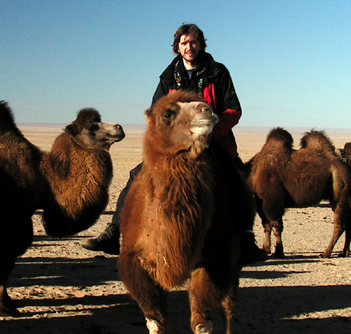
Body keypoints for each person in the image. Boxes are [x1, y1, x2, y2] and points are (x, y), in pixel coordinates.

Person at [82, 23, 265, 262]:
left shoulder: (217, 72)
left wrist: (210, 131)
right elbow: (156, 112)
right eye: (185, 43)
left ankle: (245, 238)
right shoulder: (168, 77)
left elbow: (233, 110)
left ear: (201, 44)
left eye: (194, 42)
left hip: (211, 141)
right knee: (137, 175)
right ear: (177, 47)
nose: (190, 47)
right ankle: (114, 231)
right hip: (175, 144)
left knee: (236, 179)